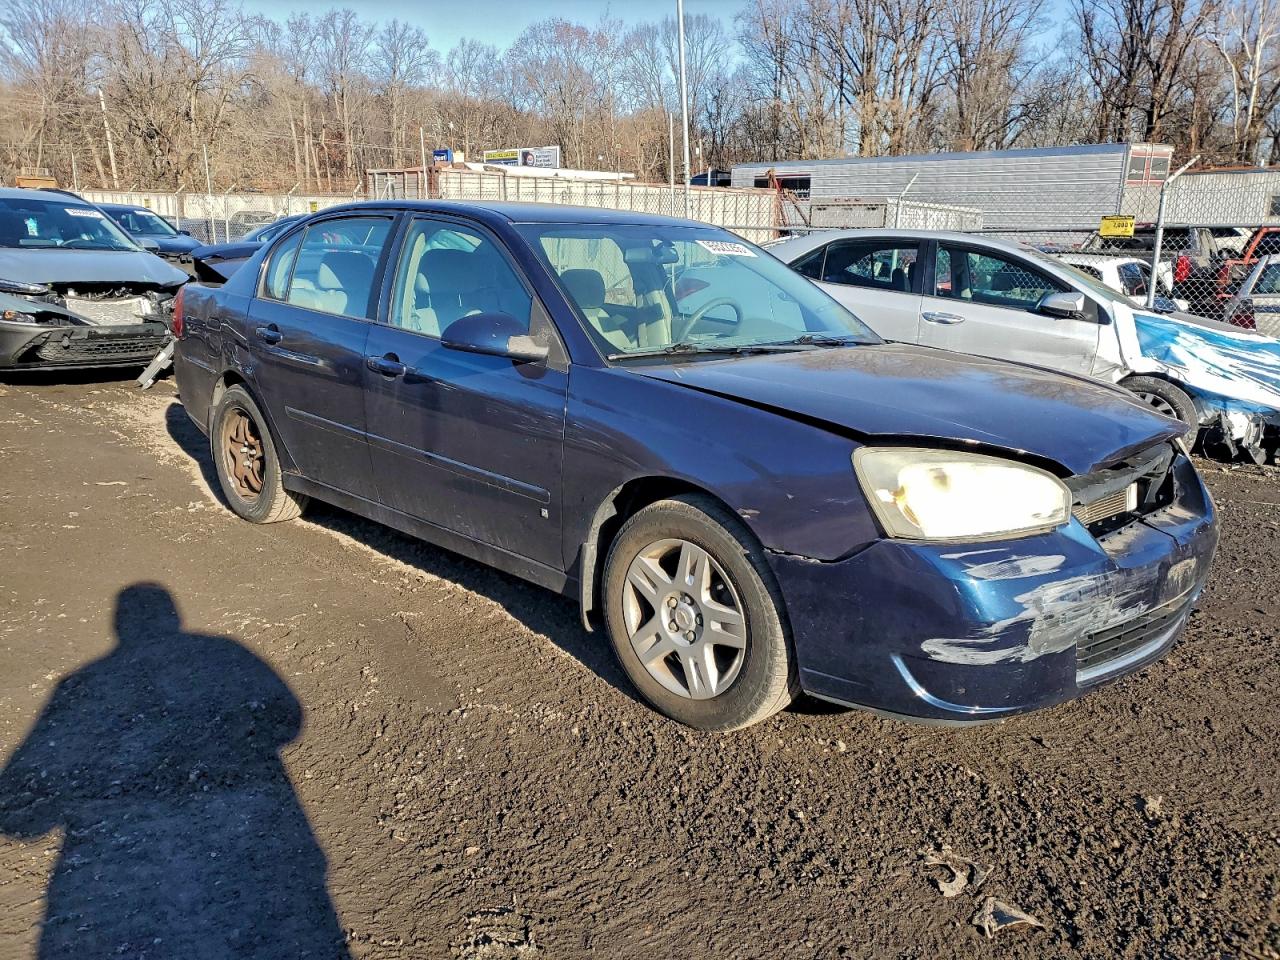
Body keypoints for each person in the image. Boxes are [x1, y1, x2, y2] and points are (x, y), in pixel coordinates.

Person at [0, 584, 350, 959]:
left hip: (125, 886)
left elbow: (23, 819)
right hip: (248, 852)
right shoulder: (224, 652)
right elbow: (289, 720)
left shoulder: (82, 684)